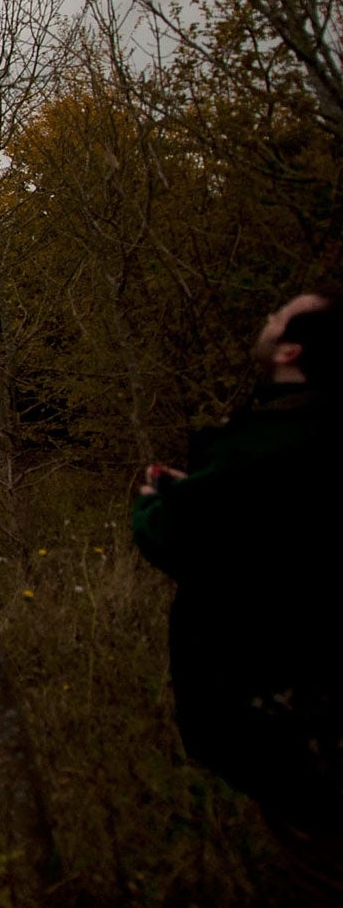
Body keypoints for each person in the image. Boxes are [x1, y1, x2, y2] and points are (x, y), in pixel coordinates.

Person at [135, 287, 343, 900]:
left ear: (292, 349)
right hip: (299, 681)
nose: (267, 317)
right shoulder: (306, 428)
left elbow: (188, 543)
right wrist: (201, 488)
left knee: (321, 848)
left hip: (279, 689)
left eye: (277, 317)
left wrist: (153, 509)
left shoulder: (278, 439)